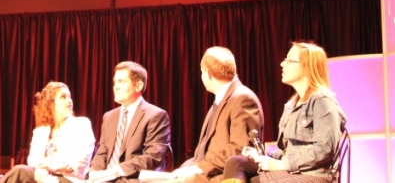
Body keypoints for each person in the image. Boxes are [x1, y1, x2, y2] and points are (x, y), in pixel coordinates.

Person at [221, 42, 347, 183]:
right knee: (236, 162)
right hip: (293, 171)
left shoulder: (322, 101)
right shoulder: (291, 105)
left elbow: (324, 149)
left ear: (307, 66)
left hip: (313, 175)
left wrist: (283, 164)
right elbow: (286, 150)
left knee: (253, 181)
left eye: (289, 60)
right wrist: (263, 156)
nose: (282, 64)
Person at [171, 47, 263, 183]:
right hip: (205, 173)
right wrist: (187, 167)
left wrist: (198, 168)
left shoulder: (243, 98)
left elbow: (240, 148)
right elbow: (204, 153)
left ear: (207, 73)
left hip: (220, 176)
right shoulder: (222, 99)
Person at [90, 61, 172, 179]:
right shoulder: (109, 116)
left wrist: (115, 172)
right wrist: (94, 173)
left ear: (138, 86)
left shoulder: (156, 115)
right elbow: (102, 153)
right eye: (115, 82)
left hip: (132, 178)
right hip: (105, 179)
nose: (116, 87)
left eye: (121, 82)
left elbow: (153, 156)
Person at [1, 81, 95, 183]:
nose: (69, 101)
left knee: (21, 172)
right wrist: (43, 173)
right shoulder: (40, 131)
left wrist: (51, 168)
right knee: (19, 171)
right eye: (63, 97)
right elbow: (33, 161)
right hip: (42, 177)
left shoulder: (81, 124)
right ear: (51, 104)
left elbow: (80, 162)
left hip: (68, 179)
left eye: (69, 97)